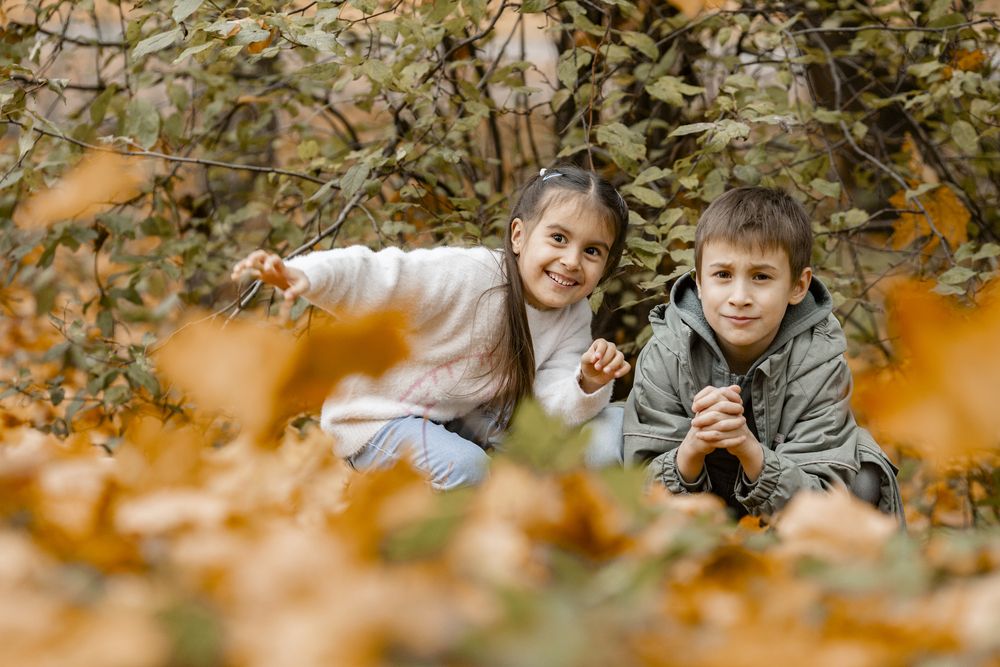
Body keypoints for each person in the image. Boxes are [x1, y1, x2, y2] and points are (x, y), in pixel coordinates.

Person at [231, 166, 631, 489]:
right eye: (558, 238)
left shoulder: (573, 314)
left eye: (591, 250)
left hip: (460, 416)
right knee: (468, 469)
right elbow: (384, 277)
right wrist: (306, 274)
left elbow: (548, 407)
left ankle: (563, 518)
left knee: (611, 424)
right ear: (519, 236)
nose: (572, 261)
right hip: (379, 418)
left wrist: (586, 382)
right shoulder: (472, 275)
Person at [622, 186, 903, 521]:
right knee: (604, 435)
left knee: (864, 478)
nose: (740, 297)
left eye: (761, 276)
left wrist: (749, 450)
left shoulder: (819, 361)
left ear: (798, 286)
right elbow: (639, 486)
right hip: (693, 516)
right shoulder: (667, 352)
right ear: (699, 282)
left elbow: (823, 493)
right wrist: (692, 449)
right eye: (723, 275)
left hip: (783, 518)